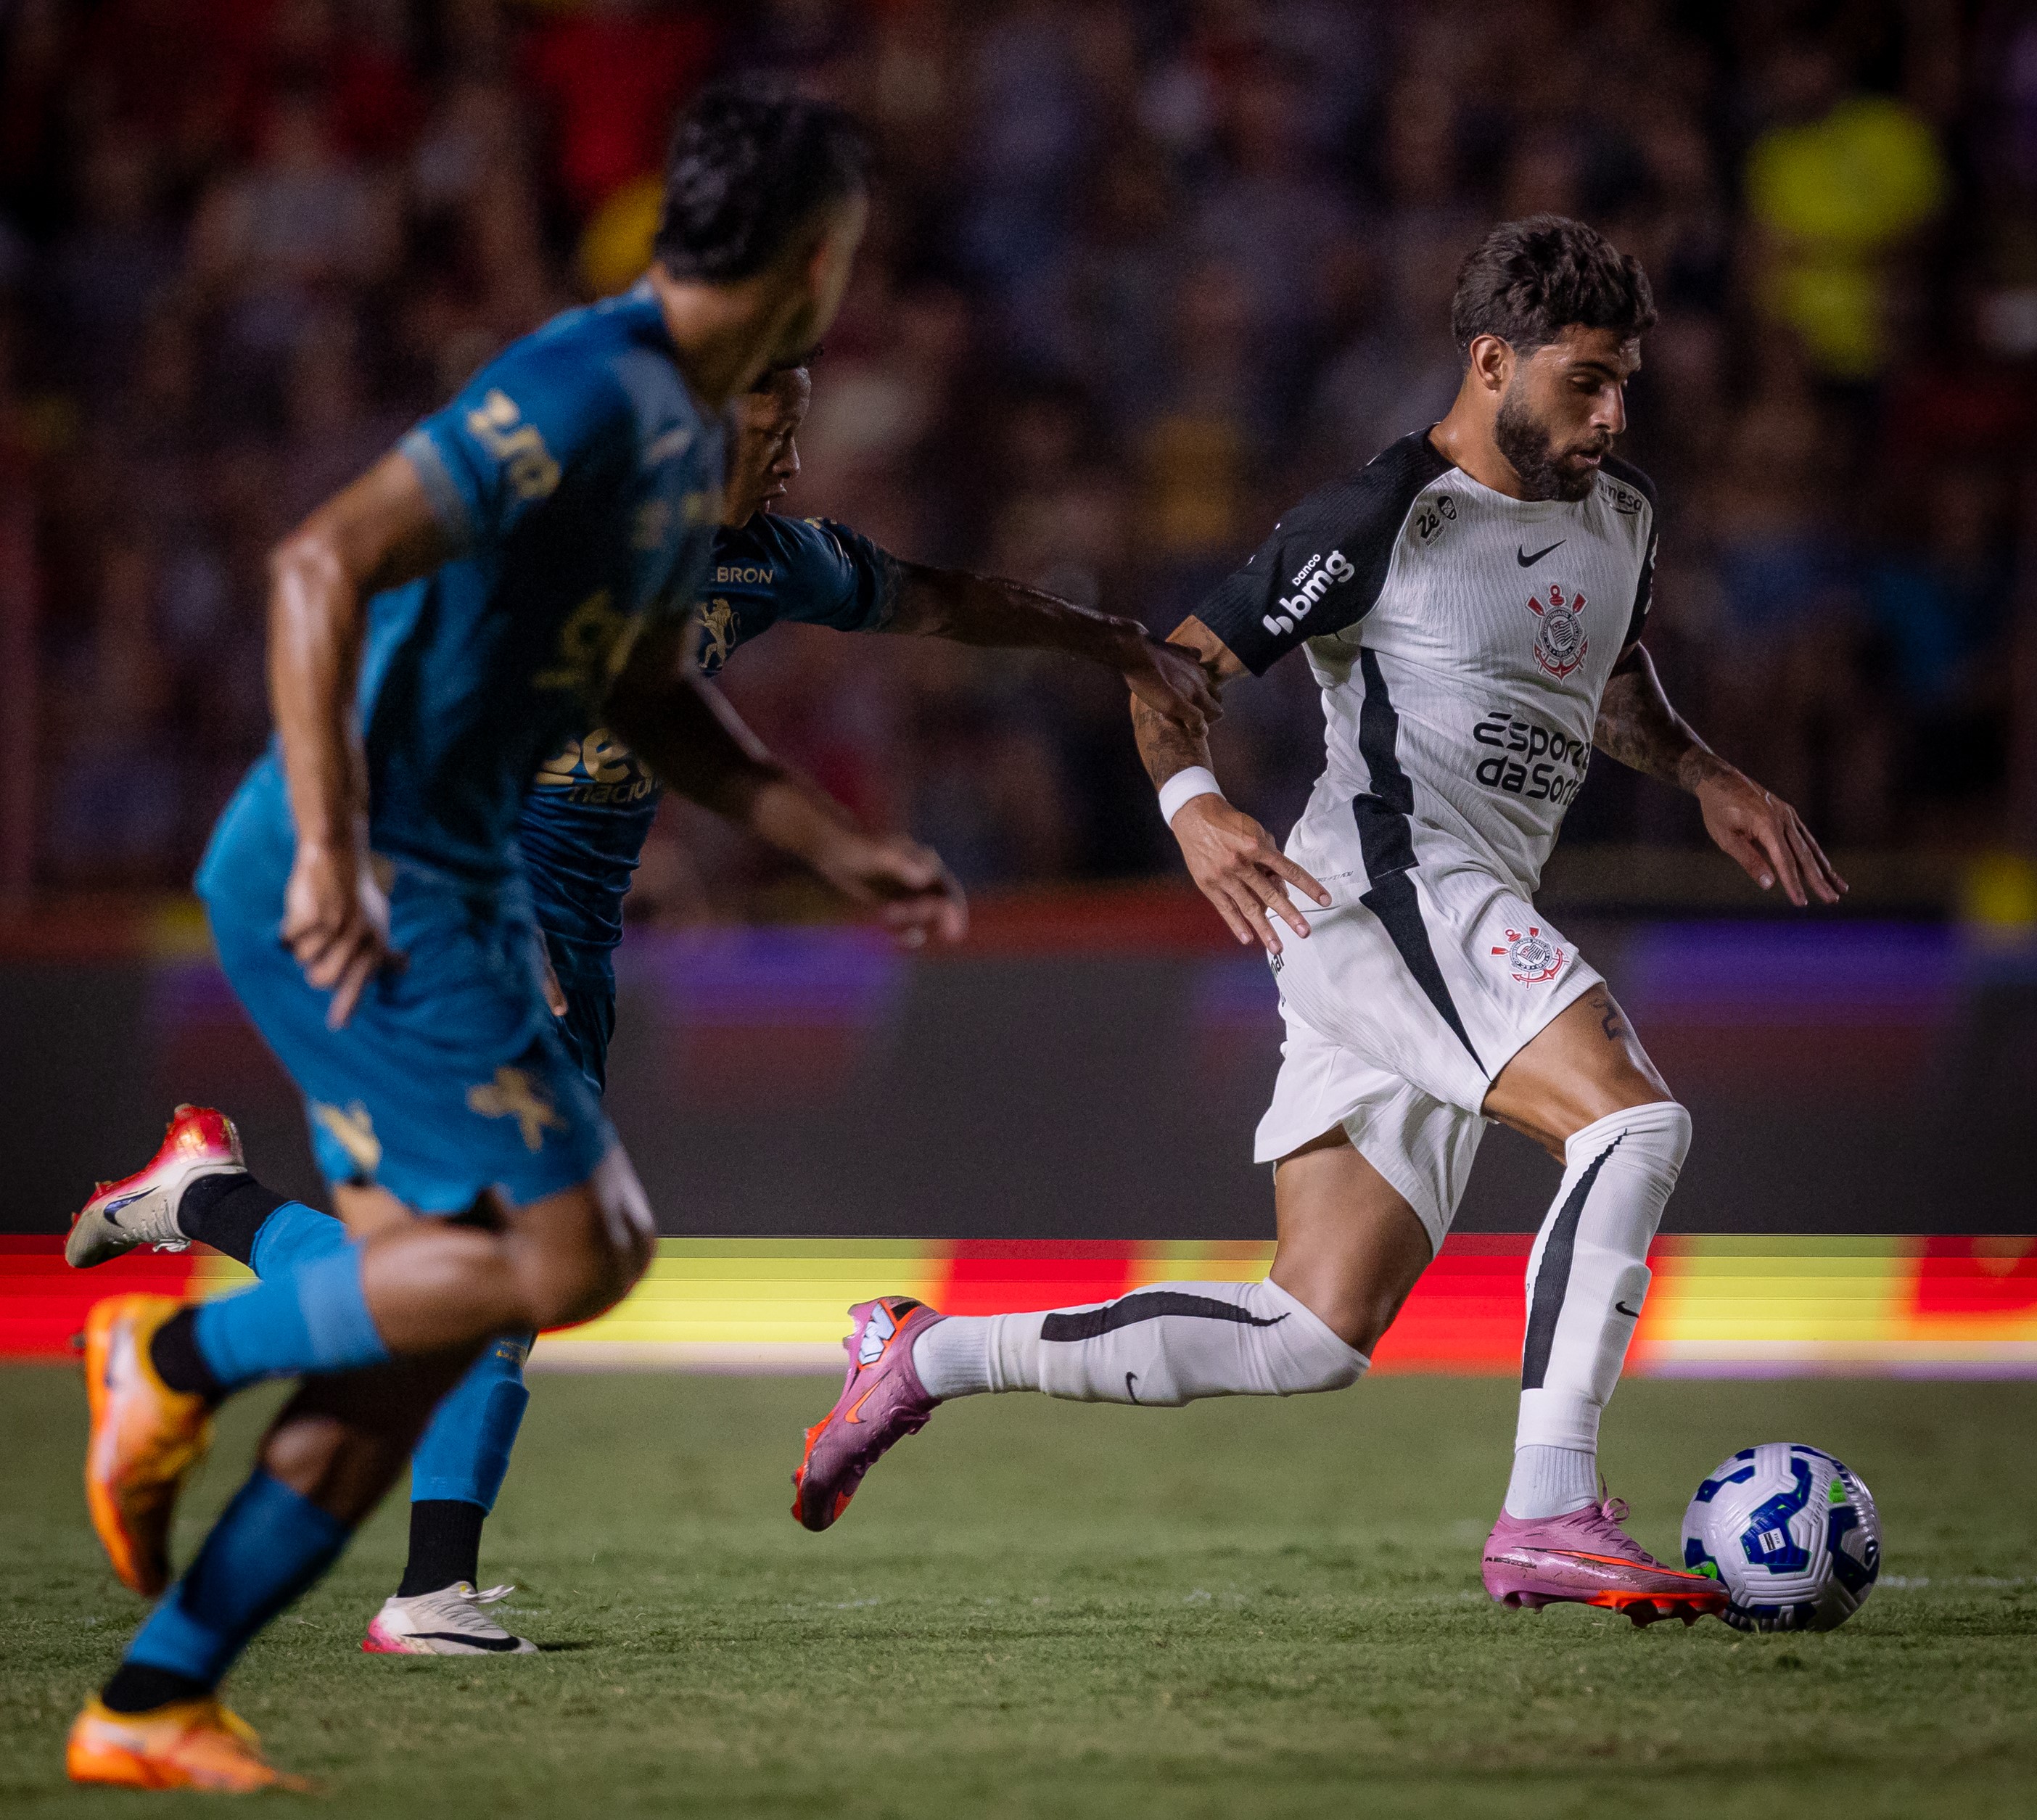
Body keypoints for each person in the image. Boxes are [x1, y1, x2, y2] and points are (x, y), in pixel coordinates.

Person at [64, 359, 1218, 1660]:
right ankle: (411, 1571)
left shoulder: (765, 559)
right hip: (451, 909)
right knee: (512, 1262)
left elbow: (941, 599)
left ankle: (208, 1207)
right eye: (776, 430)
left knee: (475, 1268)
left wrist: (1114, 641)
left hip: (572, 935)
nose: (793, 460)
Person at [788, 215, 1847, 1628]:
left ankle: (923, 1357)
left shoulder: (1625, 516)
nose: (1612, 416)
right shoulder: (1379, 517)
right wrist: (1192, 805)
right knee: (1633, 1125)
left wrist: (1705, 771)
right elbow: (1174, 669)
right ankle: (1549, 1511)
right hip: (1385, 892)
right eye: (1586, 381)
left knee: (1310, 1330)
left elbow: (1603, 676)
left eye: (1624, 384)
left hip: (1450, 913)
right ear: (1492, 362)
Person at [63, 81, 929, 1792]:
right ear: (809, 259)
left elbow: (634, 686)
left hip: (472, 884)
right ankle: (194, 1365)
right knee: (556, 1256)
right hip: (408, 876)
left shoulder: (694, 465)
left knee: (449, 1299)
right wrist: (354, 857)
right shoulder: (589, 390)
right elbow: (320, 565)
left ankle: (160, 1685)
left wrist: (801, 829)